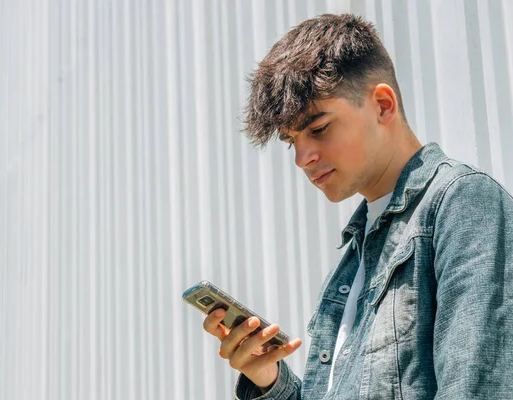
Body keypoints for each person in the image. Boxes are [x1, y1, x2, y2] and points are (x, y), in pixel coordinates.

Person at [202, 13, 513, 399]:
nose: (302, 158)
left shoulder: (462, 203)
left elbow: (479, 387)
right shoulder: (355, 254)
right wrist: (268, 377)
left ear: (383, 105)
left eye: (318, 129)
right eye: (290, 141)